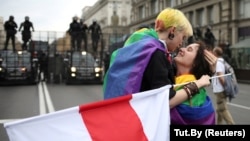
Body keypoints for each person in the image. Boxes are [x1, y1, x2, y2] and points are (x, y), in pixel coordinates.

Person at [103, 8, 217, 110]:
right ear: (172, 31)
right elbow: (166, 101)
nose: (181, 44)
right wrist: (198, 84)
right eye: (183, 37)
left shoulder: (142, 42)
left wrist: (210, 71)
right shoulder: (156, 54)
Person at [170, 41, 215, 125]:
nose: (181, 49)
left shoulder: (197, 97)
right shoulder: (169, 77)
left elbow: (164, 104)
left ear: (195, 63)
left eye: (189, 50)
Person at [212, 46, 235, 124]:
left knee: (222, 109)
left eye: (213, 51)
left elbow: (221, 78)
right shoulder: (223, 62)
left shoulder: (218, 63)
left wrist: (224, 87)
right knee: (219, 109)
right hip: (221, 89)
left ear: (215, 53)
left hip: (220, 89)